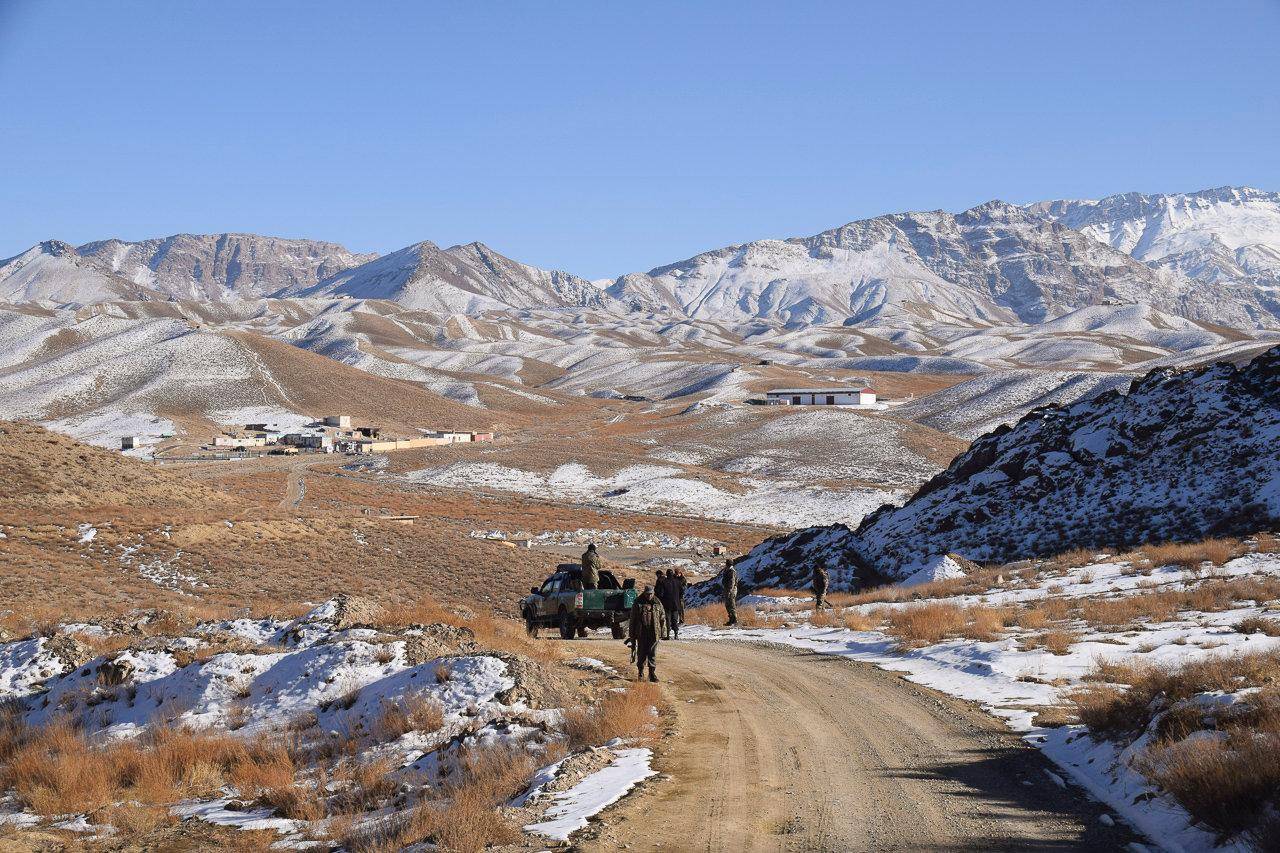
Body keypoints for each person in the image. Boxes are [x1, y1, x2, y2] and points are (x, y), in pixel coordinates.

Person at [627, 584, 666, 682]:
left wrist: (664, 632)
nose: (649, 596)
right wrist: (632, 634)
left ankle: (652, 674)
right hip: (641, 633)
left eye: (651, 594)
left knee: (652, 653)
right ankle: (640, 673)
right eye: (647, 594)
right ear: (644, 593)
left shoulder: (657, 603)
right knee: (641, 653)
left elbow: (662, 618)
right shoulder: (638, 603)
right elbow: (633, 620)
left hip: (654, 632)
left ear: (653, 593)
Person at [659, 569, 681, 640]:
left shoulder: (664, 582)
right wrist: (678, 599)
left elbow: (661, 594)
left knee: (667, 620)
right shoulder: (677, 581)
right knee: (674, 619)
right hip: (676, 604)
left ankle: (667, 635)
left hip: (667, 604)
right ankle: (676, 634)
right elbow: (682, 592)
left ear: (666, 574)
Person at [654, 571, 673, 639]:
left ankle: (663, 633)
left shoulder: (659, 580)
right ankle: (666, 632)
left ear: (658, 574)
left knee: (661, 617)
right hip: (667, 600)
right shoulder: (666, 579)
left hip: (661, 601)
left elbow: (659, 591)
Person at [721, 559, 739, 626]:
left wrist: (729, 591)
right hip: (727, 589)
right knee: (728, 605)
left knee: (731, 605)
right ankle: (731, 620)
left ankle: (734, 620)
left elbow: (732, 582)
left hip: (731, 590)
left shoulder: (732, 571)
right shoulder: (727, 570)